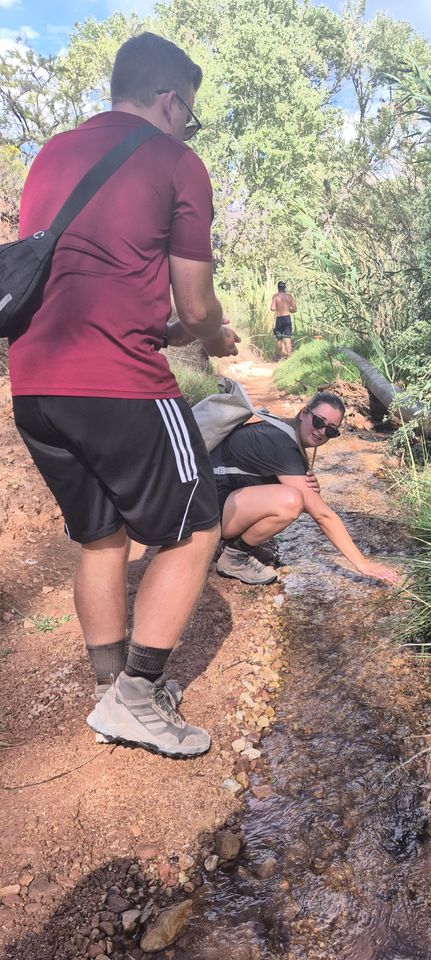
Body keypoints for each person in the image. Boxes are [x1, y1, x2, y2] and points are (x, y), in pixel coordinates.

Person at [9, 32, 240, 758]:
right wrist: (212, 338)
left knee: (102, 535)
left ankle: (110, 686)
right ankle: (138, 698)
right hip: (117, 381)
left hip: (34, 385)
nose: (188, 127)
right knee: (199, 522)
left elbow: (83, 271)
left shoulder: (52, 152)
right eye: (190, 114)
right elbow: (196, 305)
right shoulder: (176, 161)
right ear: (171, 100)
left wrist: (169, 325)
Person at [211, 391, 400, 587]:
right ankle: (234, 556)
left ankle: (242, 543)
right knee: (292, 501)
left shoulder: (283, 430)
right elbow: (322, 515)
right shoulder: (281, 443)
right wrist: (362, 563)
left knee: (299, 494)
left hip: (217, 500)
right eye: (319, 422)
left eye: (330, 430)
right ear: (304, 413)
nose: (321, 432)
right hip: (207, 514)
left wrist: (307, 489)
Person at [270, 280, 297, 358]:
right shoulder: (289, 296)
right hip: (287, 318)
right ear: (284, 288)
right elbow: (294, 309)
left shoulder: (276, 296)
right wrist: (289, 310)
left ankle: (279, 356)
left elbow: (272, 308)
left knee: (279, 338)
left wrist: (277, 307)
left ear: (278, 288)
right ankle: (289, 355)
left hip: (279, 319)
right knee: (288, 337)